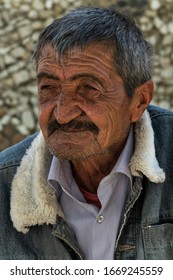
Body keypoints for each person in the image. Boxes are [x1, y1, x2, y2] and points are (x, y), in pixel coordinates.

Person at [0, 6, 173, 260]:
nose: (62, 113)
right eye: (48, 87)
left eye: (89, 89)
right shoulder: (5, 186)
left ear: (139, 101)